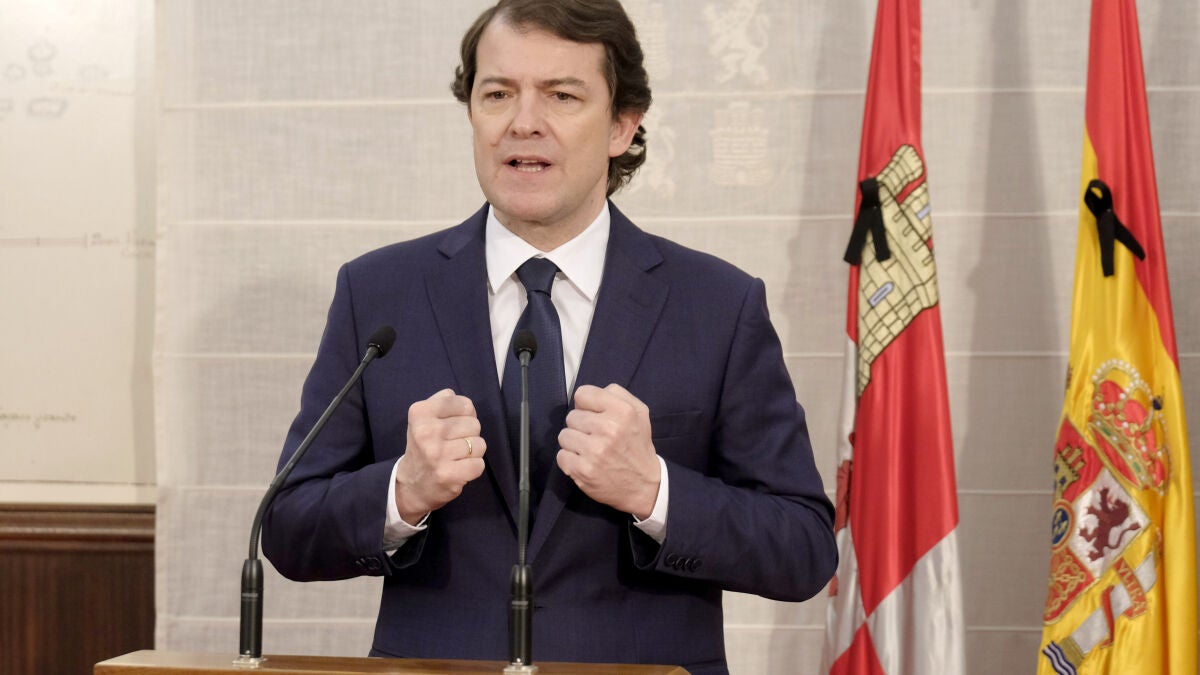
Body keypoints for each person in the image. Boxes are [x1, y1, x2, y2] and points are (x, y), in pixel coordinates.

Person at [262, 1, 836, 672]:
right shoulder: (379, 293)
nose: (523, 122)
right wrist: (401, 491)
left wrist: (654, 490)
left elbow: (803, 548)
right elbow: (288, 527)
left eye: (562, 96)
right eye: (497, 94)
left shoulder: (717, 305)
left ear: (622, 124)